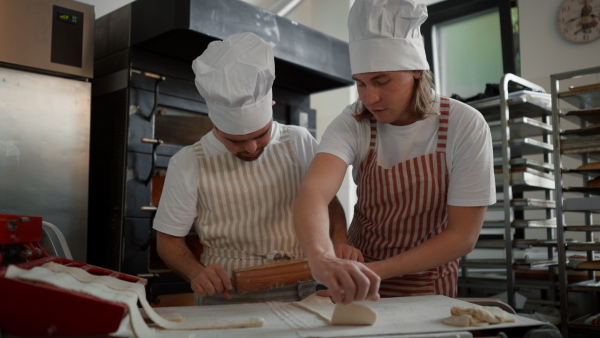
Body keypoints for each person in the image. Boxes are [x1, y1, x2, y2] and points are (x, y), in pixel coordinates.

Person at [293, 0, 496, 305]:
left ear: (416, 69)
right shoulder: (355, 121)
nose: (370, 98)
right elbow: (314, 190)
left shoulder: (464, 125)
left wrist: (375, 272)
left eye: (381, 81)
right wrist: (322, 256)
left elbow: (462, 236)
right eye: (360, 84)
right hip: (357, 280)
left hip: (428, 284)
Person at [153, 32, 346, 305]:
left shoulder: (299, 142)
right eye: (236, 141)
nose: (252, 148)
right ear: (215, 125)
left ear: (271, 106)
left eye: (261, 134)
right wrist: (196, 272)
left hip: (303, 289)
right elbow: (169, 241)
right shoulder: (189, 161)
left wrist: (340, 241)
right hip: (227, 296)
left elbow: (328, 203)